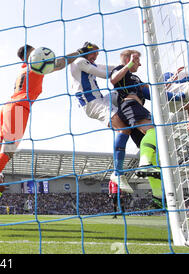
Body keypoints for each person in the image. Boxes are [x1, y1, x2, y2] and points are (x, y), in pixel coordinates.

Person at [0, 44, 81, 224]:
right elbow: (60, 63)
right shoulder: (35, 63)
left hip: (6, 109)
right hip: (19, 108)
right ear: (31, 55)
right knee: (8, 152)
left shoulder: (23, 70)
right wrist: (80, 52)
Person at [70, 42, 138, 193]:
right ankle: (117, 173)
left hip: (100, 99)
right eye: (94, 53)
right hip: (92, 104)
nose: (96, 56)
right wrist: (126, 66)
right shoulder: (79, 61)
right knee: (123, 127)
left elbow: (106, 68)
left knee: (126, 93)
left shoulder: (86, 62)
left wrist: (124, 65)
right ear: (86, 51)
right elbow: (104, 73)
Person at [110, 50, 163, 205]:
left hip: (135, 110)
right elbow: (113, 80)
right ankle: (144, 164)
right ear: (128, 59)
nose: (139, 63)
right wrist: (129, 64)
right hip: (130, 106)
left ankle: (158, 196)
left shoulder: (136, 79)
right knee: (153, 131)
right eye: (137, 60)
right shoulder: (120, 69)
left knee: (154, 153)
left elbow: (151, 93)